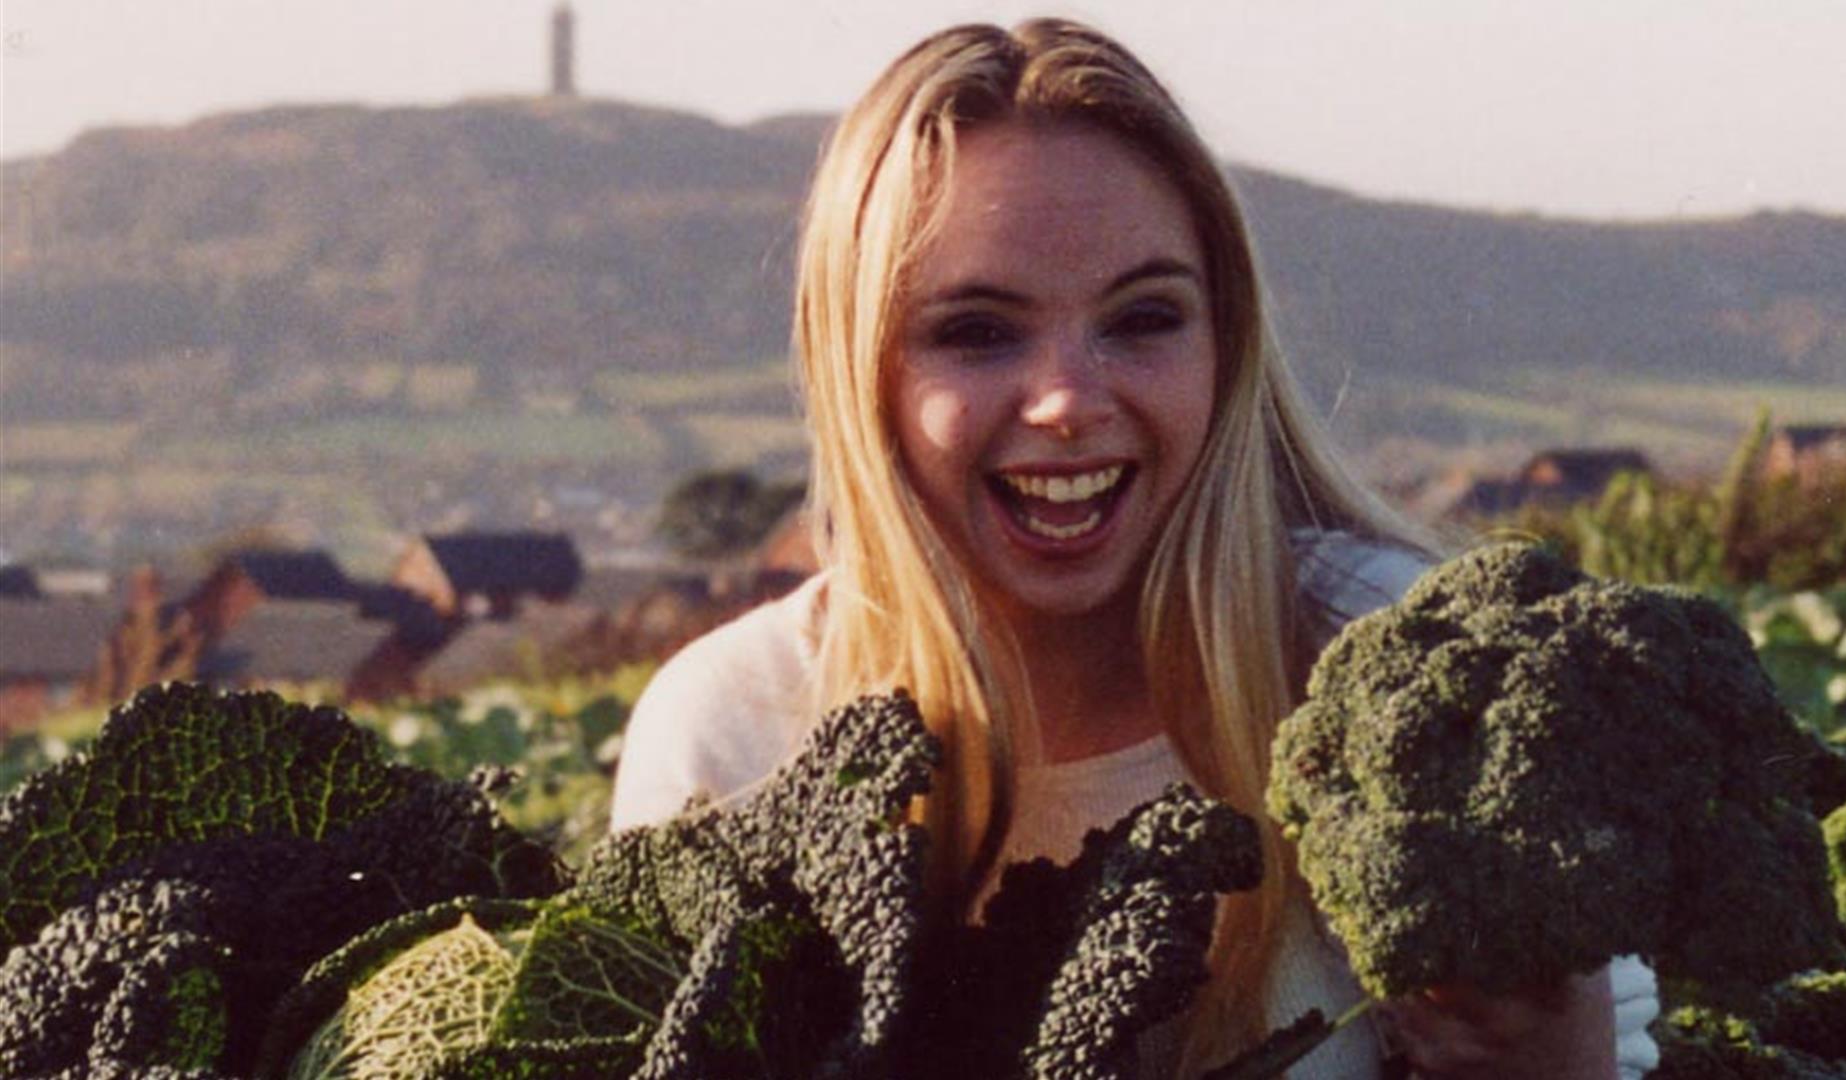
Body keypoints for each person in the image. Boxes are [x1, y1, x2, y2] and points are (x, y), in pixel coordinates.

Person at [612, 18, 1659, 1078]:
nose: (1069, 400)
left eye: (1144, 318)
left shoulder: (1401, 670)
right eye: (977, 331)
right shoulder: (733, 732)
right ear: (861, 370)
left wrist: (1554, 1063)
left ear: (1225, 341)